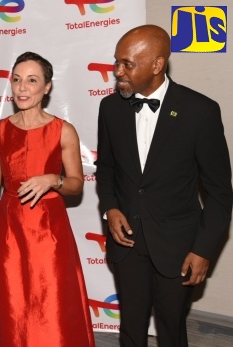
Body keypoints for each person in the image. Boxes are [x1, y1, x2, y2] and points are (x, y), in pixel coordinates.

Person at [96, 24, 232, 346]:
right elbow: (106, 169)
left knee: (171, 331)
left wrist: (203, 250)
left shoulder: (200, 112)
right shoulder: (111, 107)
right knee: (131, 329)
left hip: (178, 246)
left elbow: (219, 192)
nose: (118, 71)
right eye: (117, 62)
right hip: (127, 245)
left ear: (157, 65)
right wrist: (111, 208)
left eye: (127, 64)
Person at [0, 52, 95, 346]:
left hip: (51, 230)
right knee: (13, 302)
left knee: (53, 302)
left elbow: (76, 185)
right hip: (12, 230)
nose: (22, 88)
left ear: (47, 87)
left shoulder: (63, 131)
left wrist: (52, 180)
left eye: (32, 81)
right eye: (17, 80)